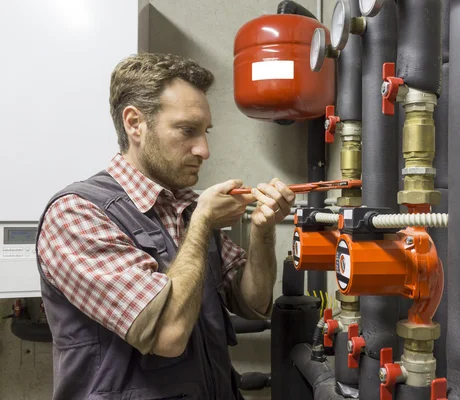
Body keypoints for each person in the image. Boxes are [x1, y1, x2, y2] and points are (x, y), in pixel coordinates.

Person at [35, 52, 296, 400]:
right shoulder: (76, 215)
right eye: (187, 130)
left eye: (205, 132)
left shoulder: (185, 206)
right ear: (134, 124)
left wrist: (262, 233)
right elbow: (168, 336)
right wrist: (203, 221)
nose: (204, 150)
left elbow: (252, 303)